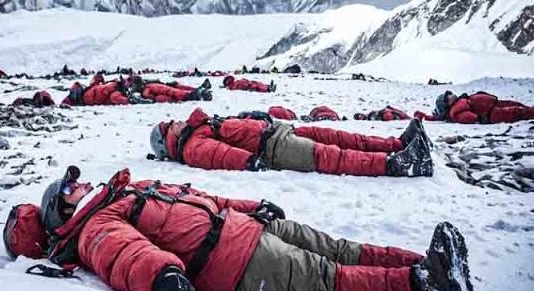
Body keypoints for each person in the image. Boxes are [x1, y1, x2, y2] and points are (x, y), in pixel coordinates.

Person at [11, 166, 474, 291]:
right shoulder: (95, 228)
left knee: (338, 248)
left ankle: (427, 265)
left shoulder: (122, 192)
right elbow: (127, 255)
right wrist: (163, 275)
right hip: (235, 263)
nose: (79, 183)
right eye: (68, 188)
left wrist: (253, 205)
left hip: (241, 225)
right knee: (325, 280)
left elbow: (201, 198)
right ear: (61, 213)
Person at [148, 108, 433, 177]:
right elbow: (219, 154)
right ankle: (398, 165)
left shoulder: (201, 125)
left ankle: (395, 144)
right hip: (272, 148)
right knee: (331, 155)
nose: (174, 121)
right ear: (167, 140)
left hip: (277, 130)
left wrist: (253, 117)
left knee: (337, 137)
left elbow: (230, 133)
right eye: (168, 125)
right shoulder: (192, 145)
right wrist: (249, 162)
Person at [426, 91, 534, 124]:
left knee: (518, 105)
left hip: (494, 104)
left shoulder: (461, 100)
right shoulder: (455, 111)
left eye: (449, 94)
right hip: (491, 113)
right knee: (518, 112)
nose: (451, 95)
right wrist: (477, 118)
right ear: (446, 105)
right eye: (448, 97)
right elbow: (466, 116)